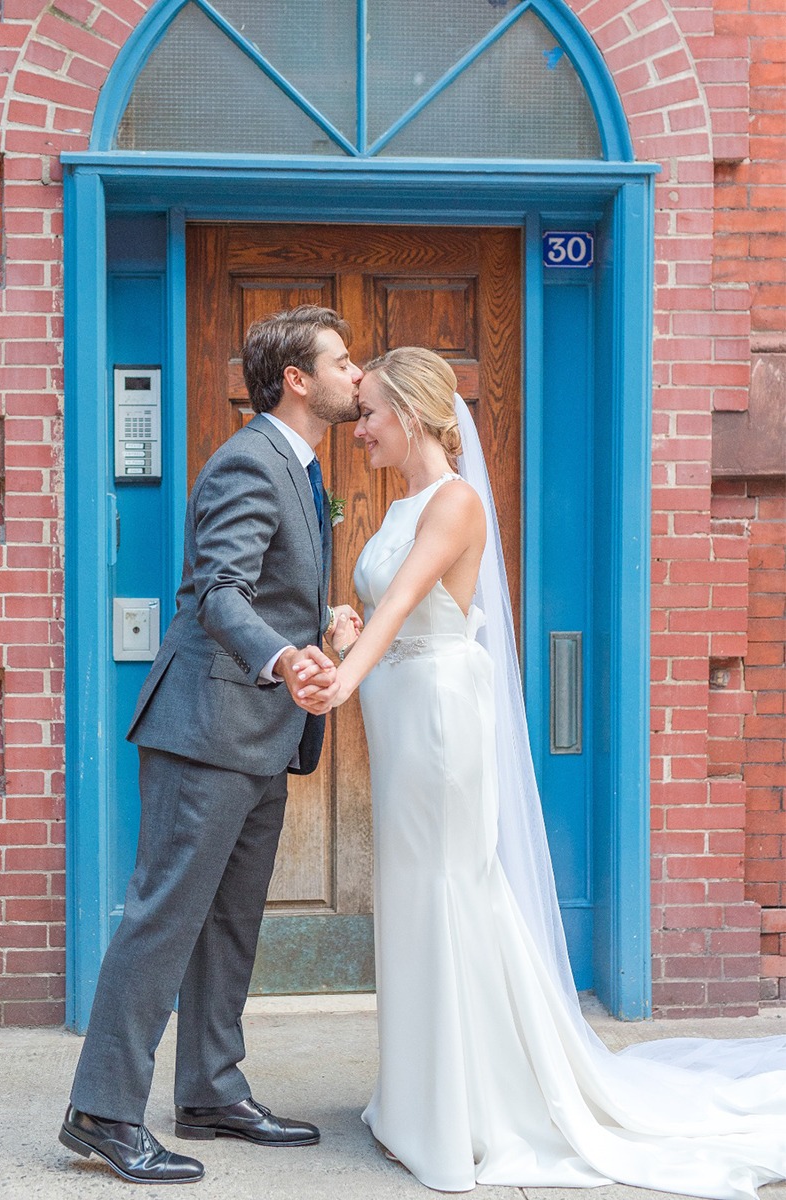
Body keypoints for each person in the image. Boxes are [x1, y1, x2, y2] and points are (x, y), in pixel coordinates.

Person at [293, 346, 786, 1197]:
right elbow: (386, 612)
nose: (359, 426)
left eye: (369, 411)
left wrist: (340, 682)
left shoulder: (455, 501)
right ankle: (417, 1098)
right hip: (405, 720)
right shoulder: (403, 502)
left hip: (441, 723)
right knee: (413, 899)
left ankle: (469, 1113)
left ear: (411, 415)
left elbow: (408, 605)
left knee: (452, 890)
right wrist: (344, 630)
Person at [60, 306, 363, 1185]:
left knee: (229, 926)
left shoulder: (301, 468)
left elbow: (269, 588)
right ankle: (104, 1112)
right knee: (163, 921)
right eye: (342, 361)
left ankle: (211, 1092)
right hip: (205, 729)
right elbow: (220, 592)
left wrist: (318, 625)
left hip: (260, 733)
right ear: (297, 380)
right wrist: (281, 656)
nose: (357, 373)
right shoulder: (248, 462)